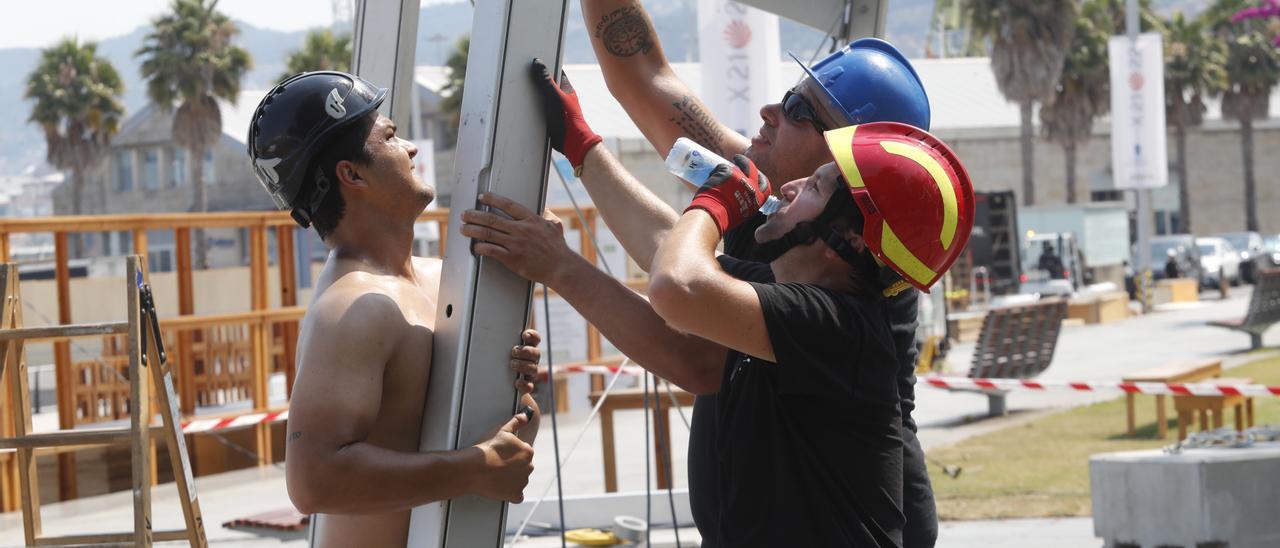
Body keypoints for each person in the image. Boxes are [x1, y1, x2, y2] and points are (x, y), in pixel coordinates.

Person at [464, 121, 974, 546]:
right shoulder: (791, 292)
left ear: (848, 242)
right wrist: (581, 145)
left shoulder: (836, 323)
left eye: (815, 188)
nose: (792, 187)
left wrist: (716, 202)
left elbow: (679, 285)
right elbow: (668, 247)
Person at [549, 3, 940, 544]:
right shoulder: (783, 212)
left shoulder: (837, 285)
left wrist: (559, 265)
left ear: (854, 165)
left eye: (798, 108)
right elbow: (644, 80)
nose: (768, 112)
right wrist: (581, 146)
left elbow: (694, 344)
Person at [246, 71, 544, 547]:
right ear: (353, 174)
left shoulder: (440, 278)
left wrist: (515, 377)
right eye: (389, 136)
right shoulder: (354, 306)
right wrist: (473, 468)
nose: (410, 148)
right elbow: (314, 480)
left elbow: (496, 437)